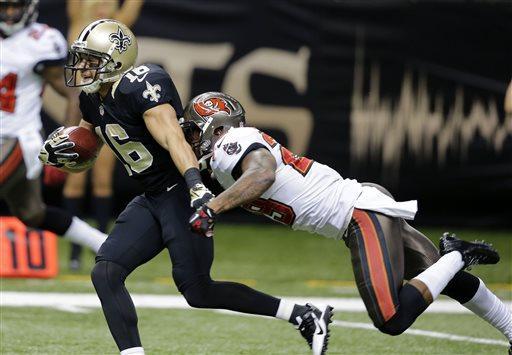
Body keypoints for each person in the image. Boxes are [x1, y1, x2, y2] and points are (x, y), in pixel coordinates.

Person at [38, 19, 332, 355]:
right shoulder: (92, 98)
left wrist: (195, 187)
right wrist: (69, 153)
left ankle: (303, 315)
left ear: (116, 58)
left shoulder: (142, 84)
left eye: (92, 60)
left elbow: (173, 139)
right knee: (106, 271)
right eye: (83, 59)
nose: (83, 67)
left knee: (198, 291)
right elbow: (91, 139)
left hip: (179, 192)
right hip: (151, 196)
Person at [182, 91, 512, 351]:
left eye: (195, 131)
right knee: (444, 278)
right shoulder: (223, 164)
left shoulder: (230, 143)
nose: (192, 140)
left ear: (218, 125)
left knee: (391, 317)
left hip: (357, 213)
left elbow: (263, 172)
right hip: (359, 207)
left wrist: (212, 209)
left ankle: (457, 254)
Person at [0, 0, 106, 253]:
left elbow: (73, 95)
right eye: (5, 7)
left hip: (17, 137)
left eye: (16, 6)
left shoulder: (41, 40)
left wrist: (64, 146)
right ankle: (104, 243)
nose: (11, 13)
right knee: (32, 213)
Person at [63, 0, 145, 271]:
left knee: (102, 181)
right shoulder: (80, 24)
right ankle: (74, 254)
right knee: (74, 182)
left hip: (109, 110)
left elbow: (132, 7)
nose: (101, 4)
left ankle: (104, 248)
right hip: (80, 110)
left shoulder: (117, 33)